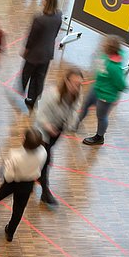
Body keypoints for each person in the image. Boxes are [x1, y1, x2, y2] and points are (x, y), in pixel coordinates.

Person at [33, 69, 83, 204]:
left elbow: (74, 111)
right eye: (73, 83)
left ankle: (34, 175)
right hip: (43, 130)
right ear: (66, 81)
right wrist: (48, 127)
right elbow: (39, 114)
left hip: (57, 130)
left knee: (43, 158)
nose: (76, 87)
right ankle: (45, 192)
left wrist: (71, 125)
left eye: (79, 85)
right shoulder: (52, 94)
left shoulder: (77, 94)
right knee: (46, 159)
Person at [0, 129, 47, 242]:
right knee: (18, 210)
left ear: (24, 139)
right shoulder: (43, 152)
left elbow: (8, 176)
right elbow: (40, 169)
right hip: (27, 185)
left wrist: (5, 169)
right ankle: (10, 233)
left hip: (12, 183)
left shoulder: (14, 154)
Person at [79, 35, 128, 146]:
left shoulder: (114, 67)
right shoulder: (107, 57)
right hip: (97, 88)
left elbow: (121, 84)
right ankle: (76, 123)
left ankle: (99, 137)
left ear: (109, 49)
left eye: (104, 44)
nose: (102, 45)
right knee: (86, 104)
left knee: (101, 116)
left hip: (106, 95)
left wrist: (116, 96)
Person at [20, 0, 63, 109]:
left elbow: (32, 38)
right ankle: (33, 100)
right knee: (39, 78)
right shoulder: (58, 15)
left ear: (47, 2)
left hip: (34, 54)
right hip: (47, 53)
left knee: (26, 75)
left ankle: (19, 96)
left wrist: (26, 50)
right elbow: (55, 32)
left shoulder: (39, 19)